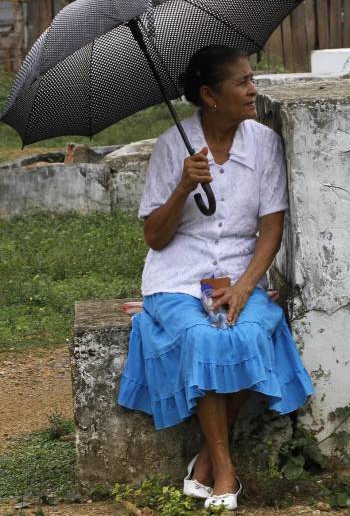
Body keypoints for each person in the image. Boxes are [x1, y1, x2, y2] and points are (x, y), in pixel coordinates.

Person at [117, 44, 314, 511]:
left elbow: (272, 226)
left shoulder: (263, 143)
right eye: (241, 82)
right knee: (203, 339)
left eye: (252, 78)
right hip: (179, 276)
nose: (252, 90)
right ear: (209, 94)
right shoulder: (172, 146)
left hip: (242, 272)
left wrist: (246, 286)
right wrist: (183, 186)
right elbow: (155, 237)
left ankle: (206, 460)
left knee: (246, 334)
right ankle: (225, 471)